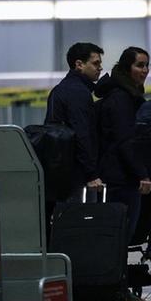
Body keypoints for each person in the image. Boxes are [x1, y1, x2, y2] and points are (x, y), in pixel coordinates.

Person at [95, 47, 151, 301]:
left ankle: (116, 288)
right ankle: (117, 290)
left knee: (120, 237)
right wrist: (141, 173)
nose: (144, 70)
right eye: (139, 65)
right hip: (121, 176)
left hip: (118, 173)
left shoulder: (123, 93)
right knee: (121, 237)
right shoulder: (121, 98)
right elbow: (126, 140)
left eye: (146, 65)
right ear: (127, 67)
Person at [44, 42, 105, 212]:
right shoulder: (78, 92)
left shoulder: (61, 89)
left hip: (60, 170)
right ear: (79, 64)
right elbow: (82, 133)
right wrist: (92, 174)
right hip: (75, 173)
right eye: (95, 63)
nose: (100, 68)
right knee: (79, 225)